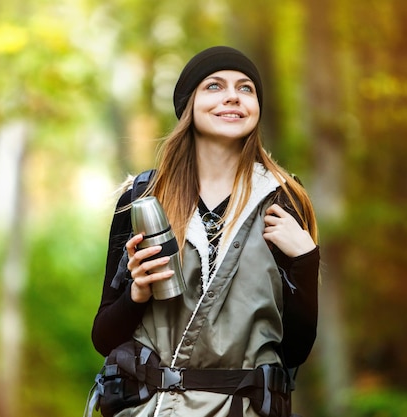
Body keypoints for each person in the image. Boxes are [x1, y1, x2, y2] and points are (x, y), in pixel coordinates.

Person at [91, 46, 320, 417]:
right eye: (214, 86)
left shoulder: (284, 199)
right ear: (188, 106)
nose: (233, 95)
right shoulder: (143, 200)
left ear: (257, 108)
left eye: (246, 88)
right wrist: (136, 294)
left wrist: (306, 261)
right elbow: (104, 338)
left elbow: (294, 351)